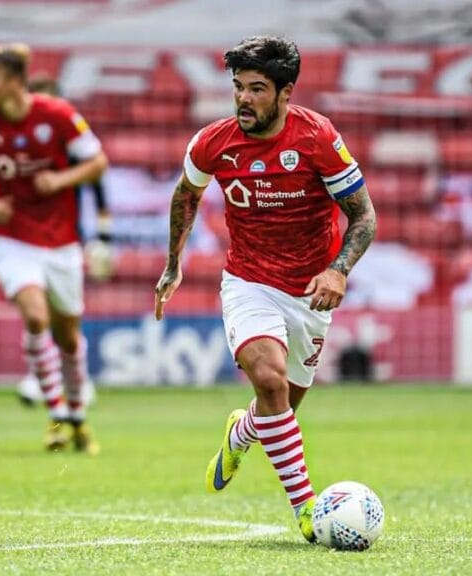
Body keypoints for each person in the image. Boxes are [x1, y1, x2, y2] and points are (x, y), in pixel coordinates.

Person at [153, 36, 377, 541]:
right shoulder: (213, 142)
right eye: (237, 87)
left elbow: (363, 217)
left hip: (311, 293)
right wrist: (173, 265)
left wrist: (339, 268)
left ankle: (241, 432)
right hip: (249, 282)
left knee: (282, 410)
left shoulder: (317, 138)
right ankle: (307, 510)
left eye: (257, 88)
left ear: (285, 93)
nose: (243, 99)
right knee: (270, 381)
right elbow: (186, 194)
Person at [0, 43, 109, 454]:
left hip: (61, 243)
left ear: (15, 82)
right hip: (13, 240)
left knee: (69, 337)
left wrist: (59, 181)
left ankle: (77, 416)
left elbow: (97, 163)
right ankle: (56, 412)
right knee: (35, 316)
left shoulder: (57, 115)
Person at [15, 73, 113, 408]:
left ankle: (77, 381)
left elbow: (99, 189)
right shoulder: (18, 144)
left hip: (65, 238)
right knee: (35, 310)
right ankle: (37, 377)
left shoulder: (75, 146)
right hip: (25, 238)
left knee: (64, 316)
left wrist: (103, 238)